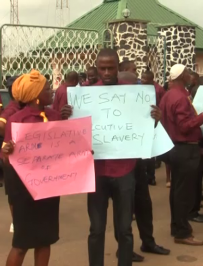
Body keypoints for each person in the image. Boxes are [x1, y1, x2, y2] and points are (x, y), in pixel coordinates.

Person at [61, 48, 161, 266]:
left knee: (125, 229)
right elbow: (73, 136)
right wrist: (67, 118)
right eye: (102, 68)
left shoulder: (135, 94)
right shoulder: (85, 96)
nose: (106, 72)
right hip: (96, 174)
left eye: (111, 68)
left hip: (125, 172)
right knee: (96, 229)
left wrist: (154, 118)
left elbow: (145, 129)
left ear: (118, 67)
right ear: (97, 68)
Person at [1, 70, 61, 266]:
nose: (51, 91)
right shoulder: (17, 120)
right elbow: (6, 158)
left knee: (45, 241)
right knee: (21, 243)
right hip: (24, 190)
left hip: (49, 188)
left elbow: (64, 149)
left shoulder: (55, 116)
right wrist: (8, 151)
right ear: (36, 95)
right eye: (46, 88)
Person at [115, 71, 170, 262]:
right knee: (124, 209)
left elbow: (151, 130)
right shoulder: (112, 106)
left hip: (138, 162)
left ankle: (148, 241)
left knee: (144, 204)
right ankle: (124, 249)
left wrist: (156, 118)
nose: (137, 87)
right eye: (133, 84)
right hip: (120, 165)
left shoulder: (142, 104)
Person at [159, 64, 203, 246]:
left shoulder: (169, 95)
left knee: (177, 190)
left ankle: (177, 227)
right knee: (184, 192)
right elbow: (185, 126)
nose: (190, 76)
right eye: (187, 73)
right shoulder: (180, 98)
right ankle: (183, 232)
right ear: (181, 76)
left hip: (176, 148)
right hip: (184, 149)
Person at [0, 75, 22, 233]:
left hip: (22, 158)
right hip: (10, 158)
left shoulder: (23, 107)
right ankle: (15, 221)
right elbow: (0, 124)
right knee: (13, 193)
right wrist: (10, 138)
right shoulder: (12, 108)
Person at [188, 76, 203, 224]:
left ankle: (194, 208)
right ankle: (192, 211)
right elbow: (199, 127)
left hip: (199, 144)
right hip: (198, 145)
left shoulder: (192, 103)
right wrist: (202, 145)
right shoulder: (197, 106)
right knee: (195, 180)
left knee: (197, 178)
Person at [141, 70, 166, 186]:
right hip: (141, 121)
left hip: (153, 121)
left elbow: (162, 105)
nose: (143, 80)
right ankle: (144, 175)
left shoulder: (159, 90)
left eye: (145, 78)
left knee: (150, 151)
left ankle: (151, 177)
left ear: (151, 79)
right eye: (142, 78)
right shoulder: (139, 89)